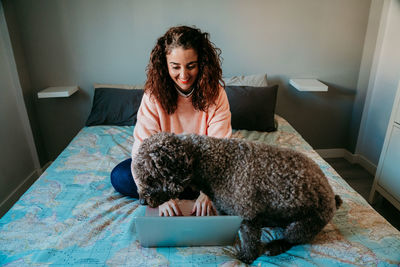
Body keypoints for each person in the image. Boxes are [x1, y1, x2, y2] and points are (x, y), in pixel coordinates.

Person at [110, 25, 232, 216]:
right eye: (175, 67)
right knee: (120, 175)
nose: (183, 75)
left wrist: (209, 191)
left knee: (240, 173)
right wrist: (158, 197)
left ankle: (195, 192)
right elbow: (142, 150)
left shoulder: (217, 94)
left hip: (202, 169)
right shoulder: (152, 96)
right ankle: (183, 193)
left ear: (202, 63)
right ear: (164, 65)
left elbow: (221, 149)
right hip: (166, 171)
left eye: (191, 66)